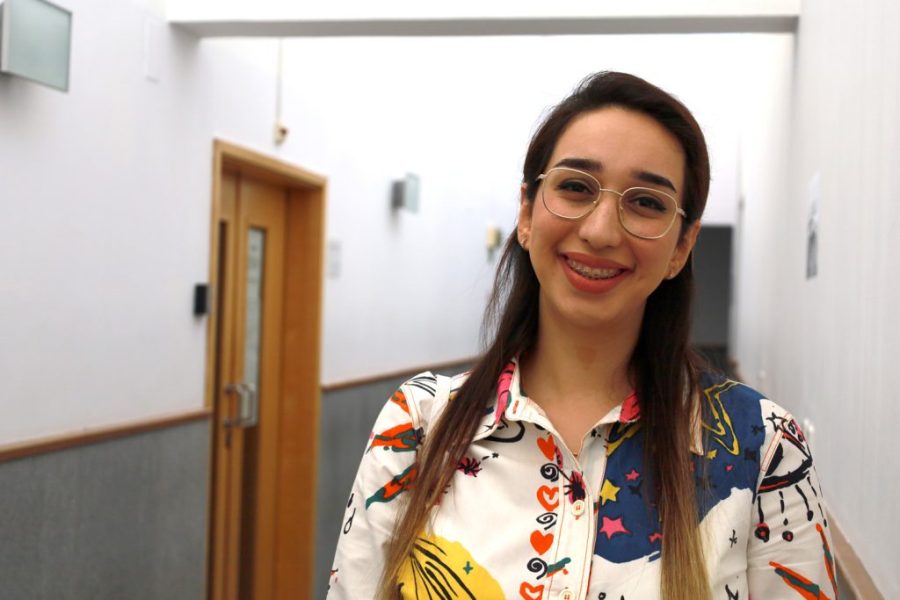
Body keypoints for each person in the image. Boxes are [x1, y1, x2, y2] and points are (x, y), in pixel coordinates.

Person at [328, 71, 835, 600]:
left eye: (646, 202)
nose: (600, 231)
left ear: (681, 247)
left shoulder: (765, 448)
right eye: (575, 187)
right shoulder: (418, 425)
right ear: (527, 213)